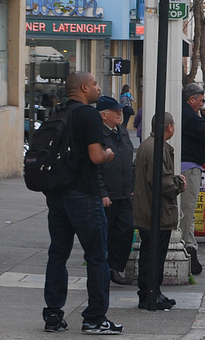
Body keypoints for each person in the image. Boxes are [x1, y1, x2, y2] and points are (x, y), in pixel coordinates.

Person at [42, 71, 123, 335]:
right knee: (98, 257)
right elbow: (96, 156)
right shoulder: (88, 115)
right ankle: (95, 318)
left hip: (57, 195)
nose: (99, 88)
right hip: (83, 195)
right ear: (84, 87)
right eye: (96, 84)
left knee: (58, 254)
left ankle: (53, 315)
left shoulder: (59, 112)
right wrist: (109, 154)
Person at [133, 112, 187, 311]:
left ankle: (151, 291)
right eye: (172, 126)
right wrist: (179, 183)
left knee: (149, 254)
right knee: (154, 255)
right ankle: (150, 293)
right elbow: (163, 183)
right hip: (155, 212)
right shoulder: (157, 149)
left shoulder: (147, 145)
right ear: (169, 128)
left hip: (146, 209)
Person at [179, 83, 205, 276]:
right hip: (188, 168)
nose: (204, 104)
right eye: (201, 101)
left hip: (190, 166)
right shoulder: (187, 116)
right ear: (192, 99)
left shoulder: (189, 114)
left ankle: (189, 245)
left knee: (189, 210)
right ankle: (187, 248)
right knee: (187, 210)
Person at [96, 96, 134, 287]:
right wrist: (102, 192)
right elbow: (96, 168)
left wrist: (132, 187)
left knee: (126, 230)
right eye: (116, 111)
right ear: (104, 115)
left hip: (125, 192)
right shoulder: (99, 135)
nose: (120, 113)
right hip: (108, 194)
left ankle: (115, 266)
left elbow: (128, 159)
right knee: (106, 234)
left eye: (120, 110)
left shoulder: (122, 132)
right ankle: (104, 269)